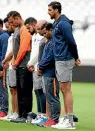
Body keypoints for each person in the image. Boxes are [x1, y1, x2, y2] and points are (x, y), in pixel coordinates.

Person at [48, 1, 80, 129]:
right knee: (63, 89)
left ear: (56, 10)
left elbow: (71, 41)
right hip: (60, 59)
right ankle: (67, 118)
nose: (48, 12)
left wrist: (76, 57)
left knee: (66, 89)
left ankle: (70, 121)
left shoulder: (63, 23)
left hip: (65, 59)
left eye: (50, 10)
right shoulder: (57, 23)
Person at [7, 11, 33, 123]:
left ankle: (25, 115)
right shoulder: (18, 30)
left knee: (25, 92)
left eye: (12, 21)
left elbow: (23, 49)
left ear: (18, 18)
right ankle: (21, 114)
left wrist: (16, 62)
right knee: (21, 92)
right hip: (19, 65)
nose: (11, 24)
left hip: (23, 66)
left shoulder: (24, 31)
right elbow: (16, 49)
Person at [38, 22, 61, 127]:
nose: (44, 34)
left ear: (51, 30)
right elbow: (44, 56)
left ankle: (55, 119)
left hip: (51, 73)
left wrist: (41, 67)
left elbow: (49, 57)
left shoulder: (54, 42)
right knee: (49, 96)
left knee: (53, 97)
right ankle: (51, 118)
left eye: (46, 32)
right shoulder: (49, 41)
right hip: (46, 73)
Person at [26, 18, 47, 125]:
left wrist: (31, 63)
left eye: (29, 27)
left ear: (34, 25)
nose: (28, 30)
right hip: (34, 67)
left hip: (39, 67)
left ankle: (43, 115)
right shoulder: (34, 36)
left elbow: (39, 53)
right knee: (37, 91)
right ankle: (39, 114)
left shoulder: (41, 37)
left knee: (40, 92)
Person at [1, 22, 19, 121]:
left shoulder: (16, 36)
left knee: (14, 90)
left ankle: (16, 112)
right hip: (9, 65)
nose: (7, 28)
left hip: (12, 65)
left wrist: (5, 60)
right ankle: (13, 112)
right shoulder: (10, 37)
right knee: (12, 90)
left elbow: (13, 51)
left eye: (9, 26)